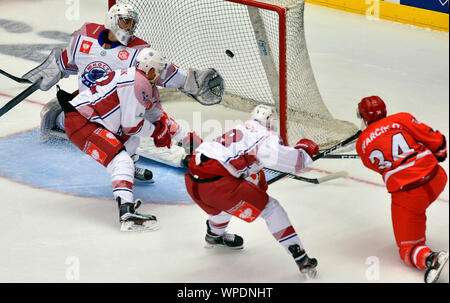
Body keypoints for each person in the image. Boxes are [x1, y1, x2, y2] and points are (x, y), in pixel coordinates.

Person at [21, 3, 224, 179]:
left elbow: (166, 71)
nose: (130, 27)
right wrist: (50, 71)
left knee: (144, 127)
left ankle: (190, 151)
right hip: (90, 109)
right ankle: (166, 158)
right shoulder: (84, 37)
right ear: (112, 20)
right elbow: (64, 63)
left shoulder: (139, 51)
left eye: (131, 23)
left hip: (123, 113)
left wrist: (193, 81)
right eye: (125, 22)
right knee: (64, 117)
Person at [58, 46, 216, 231]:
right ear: (149, 70)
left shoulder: (142, 81)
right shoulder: (137, 81)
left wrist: (192, 142)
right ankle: (126, 212)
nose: (161, 75)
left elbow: (158, 117)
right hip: (82, 122)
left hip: (95, 120)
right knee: (121, 159)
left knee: (132, 141)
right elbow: (132, 125)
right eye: (159, 70)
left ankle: (128, 171)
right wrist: (158, 132)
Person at [184, 104, 319, 277]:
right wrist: (305, 153)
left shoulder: (241, 127)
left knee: (223, 206)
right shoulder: (265, 135)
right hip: (219, 184)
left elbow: (239, 162)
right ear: (271, 121)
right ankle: (301, 258)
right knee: (271, 209)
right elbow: (294, 163)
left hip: (193, 180)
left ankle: (214, 235)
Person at [355, 95, 448, 283]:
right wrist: (437, 155)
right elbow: (438, 141)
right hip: (436, 177)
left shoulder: (362, 144)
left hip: (409, 195)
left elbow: (377, 165)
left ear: (363, 117)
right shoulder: (402, 118)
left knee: (408, 250)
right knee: (419, 202)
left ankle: (431, 259)